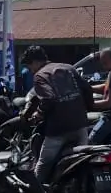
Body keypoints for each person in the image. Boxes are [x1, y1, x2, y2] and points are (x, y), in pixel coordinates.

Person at [21, 46, 95, 183]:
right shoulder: (68, 68)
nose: (30, 70)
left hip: (58, 130)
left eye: (29, 66)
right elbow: (87, 89)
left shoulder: (40, 76)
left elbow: (48, 98)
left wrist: (38, 114)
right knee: (83, 161)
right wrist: (87, 109)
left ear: (35, 62)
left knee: (43, 165)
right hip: (80, 125)